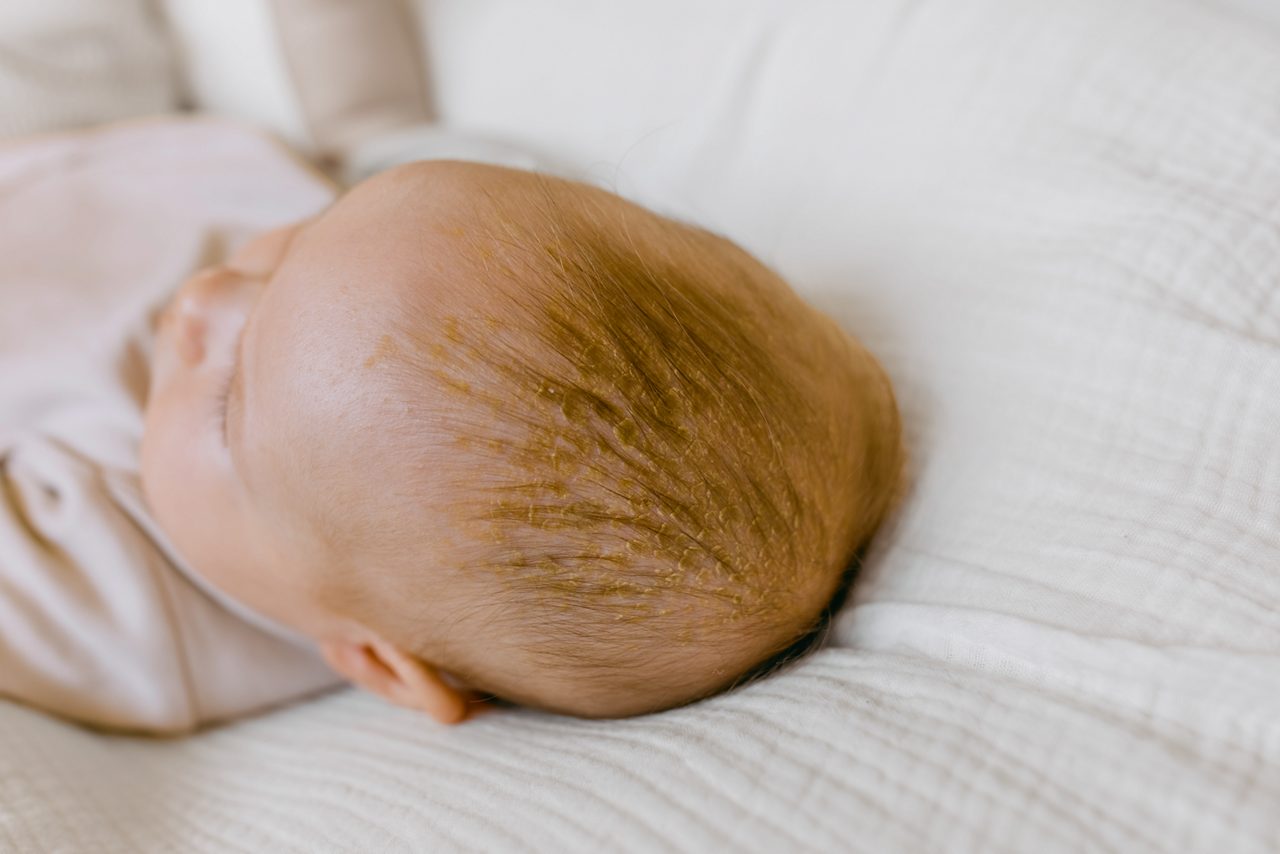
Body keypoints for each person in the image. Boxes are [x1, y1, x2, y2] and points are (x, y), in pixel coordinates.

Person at [0, 118, 906, 733]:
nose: (203, 300)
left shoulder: (135, 611)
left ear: (383, 666)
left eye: (227, 403)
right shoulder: (418, 259)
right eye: (309, 237)